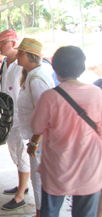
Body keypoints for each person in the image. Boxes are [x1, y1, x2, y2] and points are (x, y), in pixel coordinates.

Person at [27, 46, 102, 217]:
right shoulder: (97, 94)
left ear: (55, 67)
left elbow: (37, 127)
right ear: (82, 67)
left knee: (50, 212)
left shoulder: (50, 97)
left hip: (57, 168)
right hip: (89, 168)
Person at [16, 38, 55, 217]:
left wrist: (35, 142)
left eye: (21, 52)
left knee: (39, 179)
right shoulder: (32, 75)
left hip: (41, 139)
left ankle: (41, 213)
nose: (17, 55)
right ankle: (41, 211)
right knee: (37, 178)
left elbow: (46, 115)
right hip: (37, 137)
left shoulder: (37, 78)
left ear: (31, 56)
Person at [0, 29, 30, 211]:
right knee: (15, 153)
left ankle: (20, 195)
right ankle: (22, 185)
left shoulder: (22, 65)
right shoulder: (7, 63)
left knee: (22, 154)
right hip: (10, 116)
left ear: (13, 44)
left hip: (21, 118)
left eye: (2, 42)